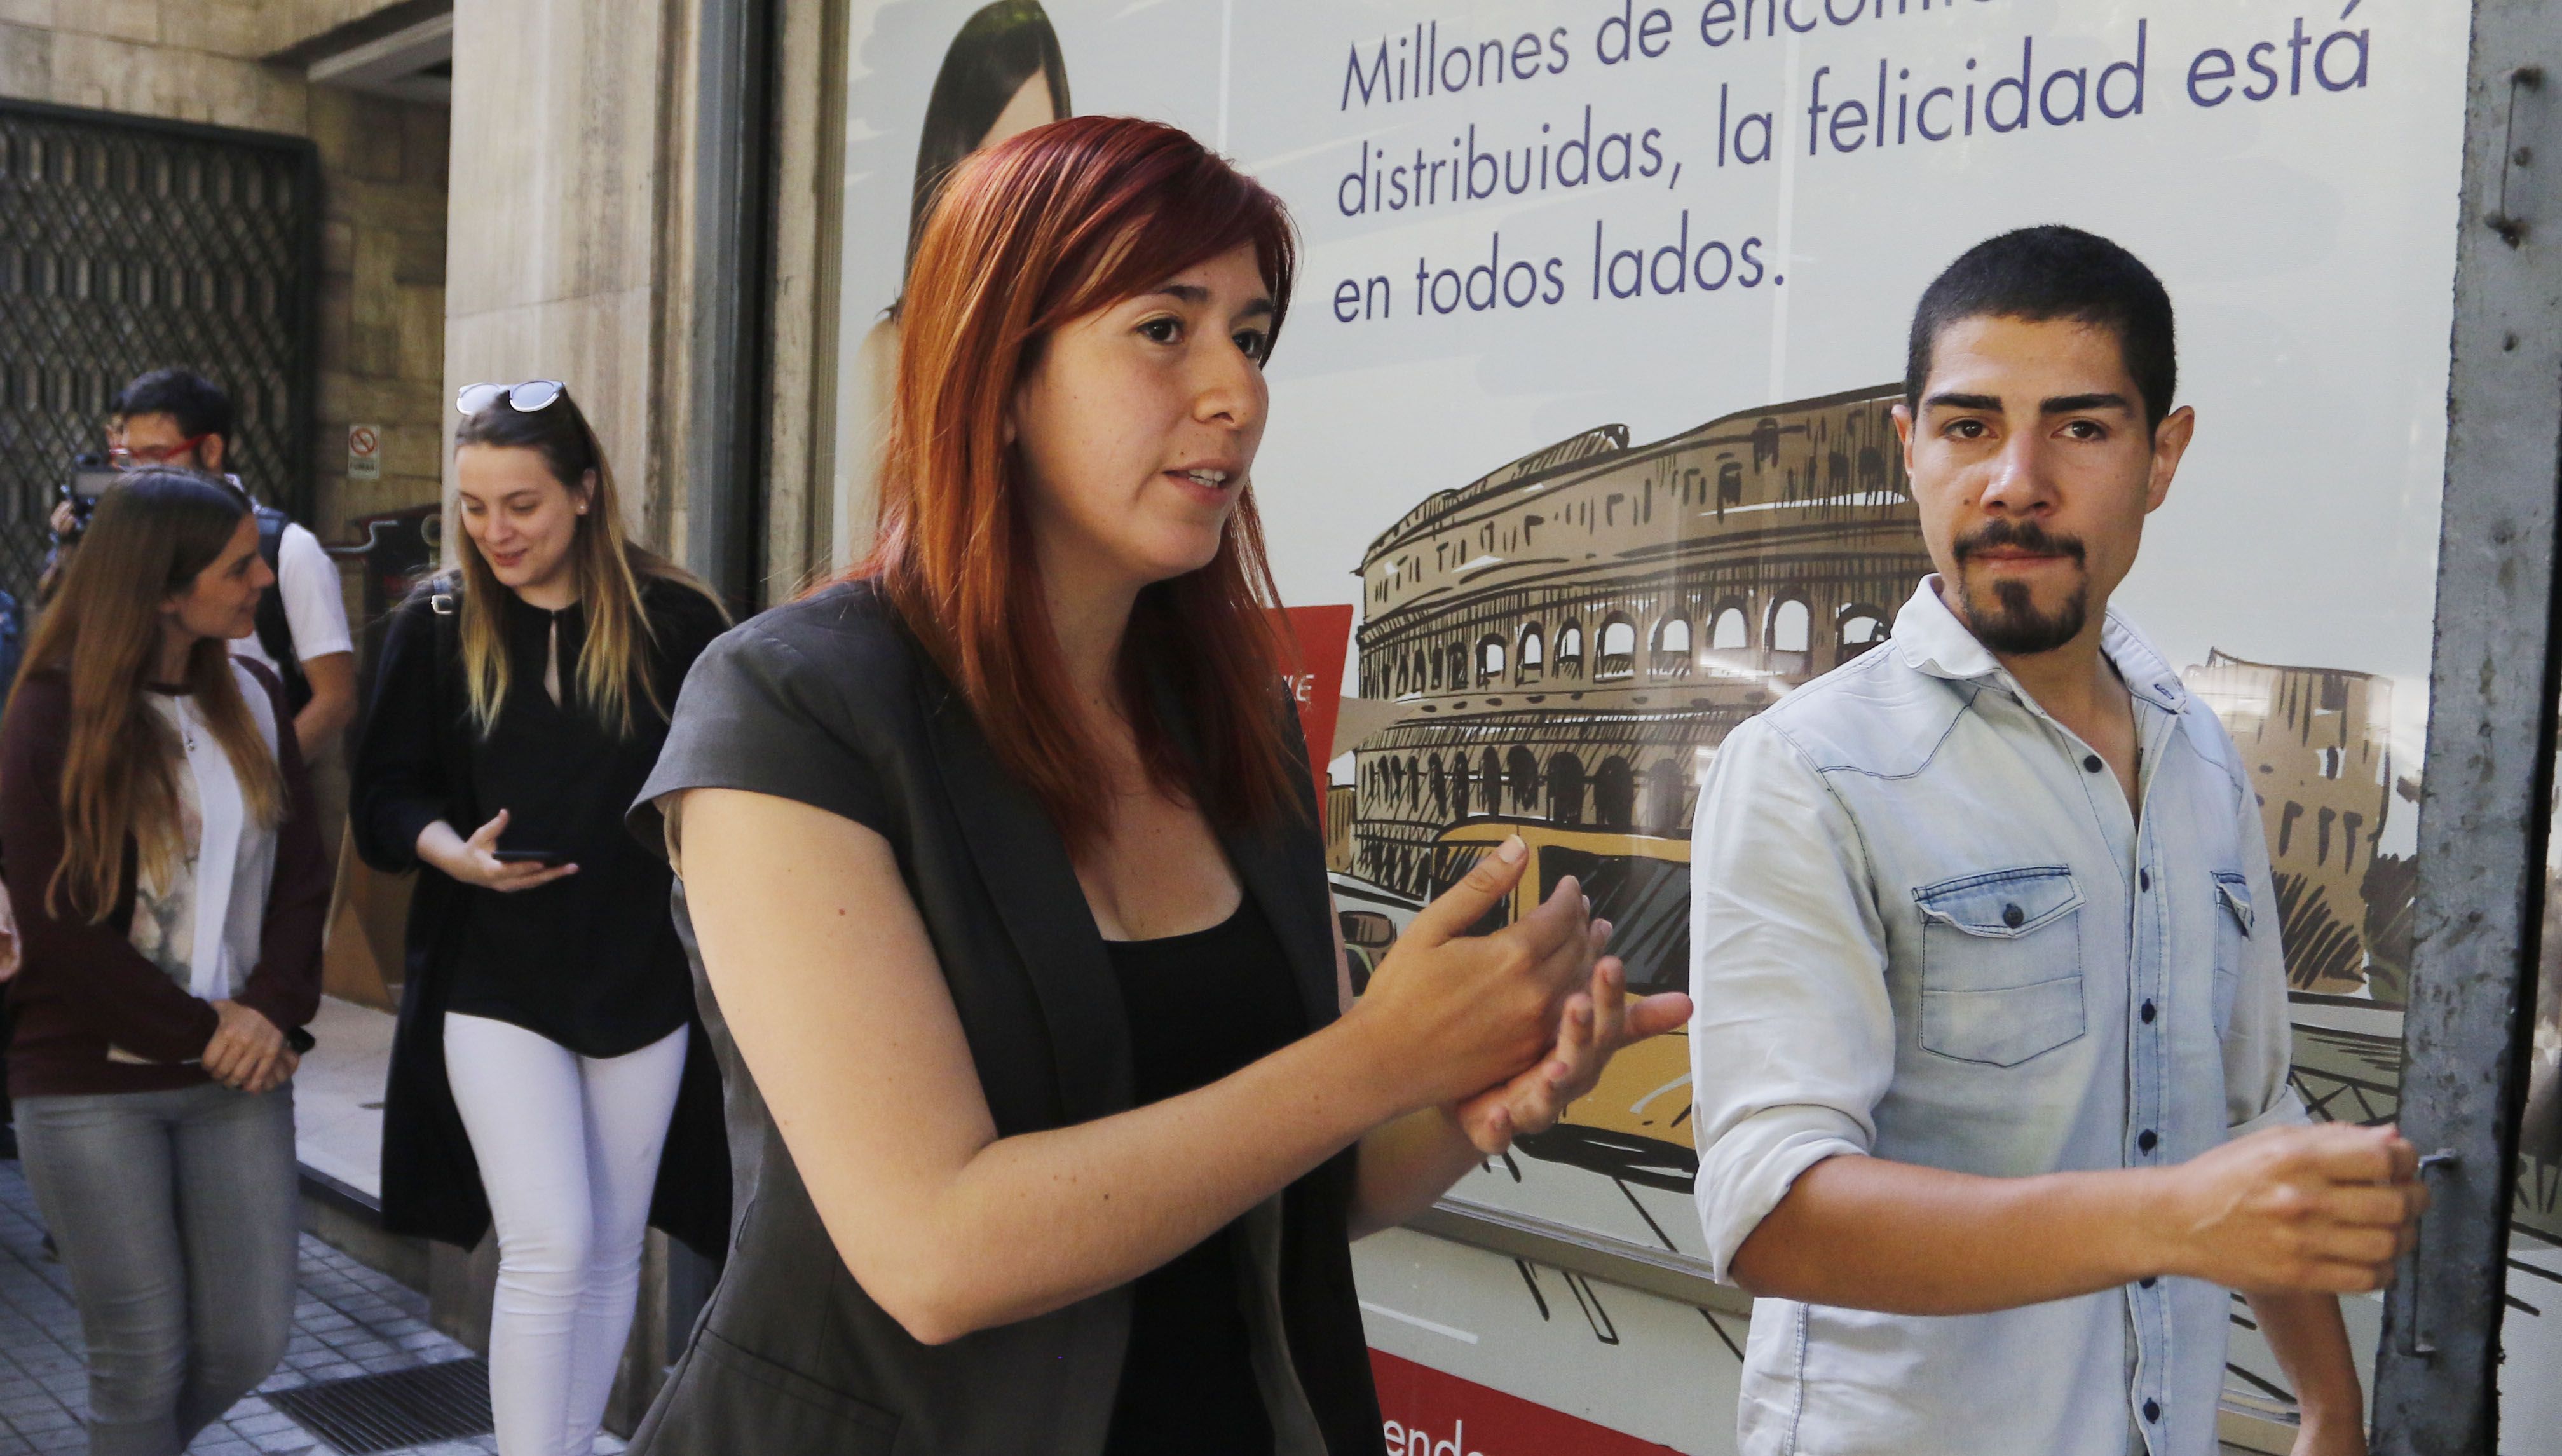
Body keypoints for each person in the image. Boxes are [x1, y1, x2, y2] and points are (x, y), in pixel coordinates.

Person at [625, 116, 1691, 1456]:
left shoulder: (1227, 723)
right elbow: (933, 1247)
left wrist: (1461, 1104)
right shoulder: (793, 706)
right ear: (997, 373)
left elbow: (1282, 1177)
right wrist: (1372, 1054)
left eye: (1249, 336)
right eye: (1162, 328)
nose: (1234, 391)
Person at [1685, 226, 2428, 1456]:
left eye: (2081, 428)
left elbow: (2248, 1117)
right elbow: (1773, 1213)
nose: (2015, 480)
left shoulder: (2196, 754)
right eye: (1968, 426)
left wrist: (2328, 1406)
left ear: (2162, 457)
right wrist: (2174, 1219)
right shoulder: (1810, 768)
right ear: (1907, 446)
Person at [350, 381, 730, 1456]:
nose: (493, 532)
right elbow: (383, 796)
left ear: (584, 493)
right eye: (471, 507)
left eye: (519, 503)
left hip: (639, 974)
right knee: (551, 1240)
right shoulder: (433, 619)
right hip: (492, 973)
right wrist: (450, 855)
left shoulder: (677, 618)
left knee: (611, 1245)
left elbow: (725, 788)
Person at [0, 468, 327, 1455]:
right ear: (161, 586)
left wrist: (269, 1009)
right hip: (88, 1081)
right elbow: (58, 923)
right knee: (138, 1356)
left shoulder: (259, 695)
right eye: (239, 564)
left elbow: (304, 872)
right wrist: (204, 1031)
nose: (264, 576)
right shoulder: (48, 711)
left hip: (237, 1071)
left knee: (249, 1339)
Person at [51, 369, 358, 762]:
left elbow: (336, 698)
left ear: (211, 450)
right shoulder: (132, 546)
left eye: (158, 455)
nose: (139, 473)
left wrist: (265, 784)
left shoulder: (290, 549)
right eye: (128, 458)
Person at [848, 1, 1071, 510]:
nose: (1019, 196)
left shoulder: (1087, 342)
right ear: (951, 163)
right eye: (992, 163)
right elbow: (874, 563)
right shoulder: (894, 353)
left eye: (1040, 160)